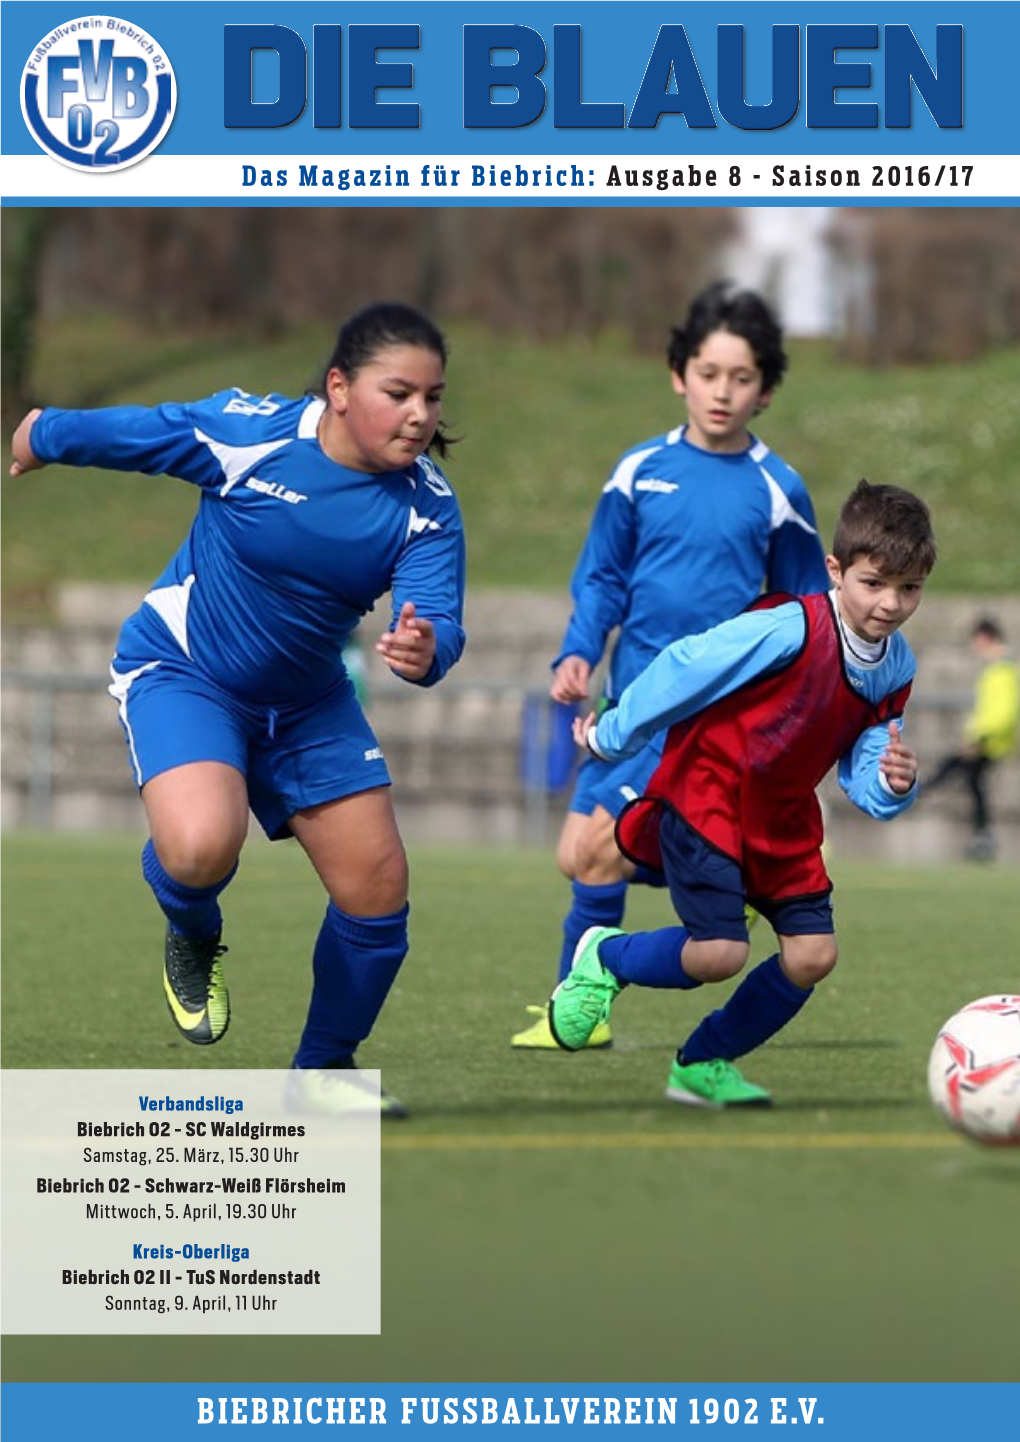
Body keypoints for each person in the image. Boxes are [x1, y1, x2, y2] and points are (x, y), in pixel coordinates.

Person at [8, 301, 466, 1119]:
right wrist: (45, 434)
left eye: (432, 398)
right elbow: (147, 433)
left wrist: (428, 648)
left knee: (379, 890)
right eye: (399, 393)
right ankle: (192, 927)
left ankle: (324, 1069)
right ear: (338, 387)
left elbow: (438, 616)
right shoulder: (252, 433)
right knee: (198, 849)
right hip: (186, 670)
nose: (420, 416)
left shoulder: (426, 505)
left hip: (308, 703)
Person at [512, 281, 830, 1050]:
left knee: (592, 853)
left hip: (713, 722)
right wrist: (580, 650)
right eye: (709, 372)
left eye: (742, 377)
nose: (723, 392)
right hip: (631, 703)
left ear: (765, 390)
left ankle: (576, 1015)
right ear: (678, 374)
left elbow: (810, 610)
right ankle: (699, 893)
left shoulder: (777, 489)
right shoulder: (637, 471)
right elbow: (602, 577)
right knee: (579, 857)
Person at [548, 480, 937, 1108]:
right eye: (874, 583)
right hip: (709, 796)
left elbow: (865, 757)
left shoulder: (897, 666)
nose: (890, 604)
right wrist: (610, 735)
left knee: (813, 957)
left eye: (909, 588)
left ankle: (701, 1063)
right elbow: (684, 667)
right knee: (721, 953)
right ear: (836, 570)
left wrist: (893, 784)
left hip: (782, 819)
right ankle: (607, 956)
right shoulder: (789, 627)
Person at [925, 618, 1019, 861]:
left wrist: (979, 738)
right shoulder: (999, 668)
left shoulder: (1002, 670)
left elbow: (1003, 713)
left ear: (985, 639)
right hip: (988, 740)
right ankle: (982, 835)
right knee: (973, 784)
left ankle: (914, 794)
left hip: (988, 742)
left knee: (953, 771)